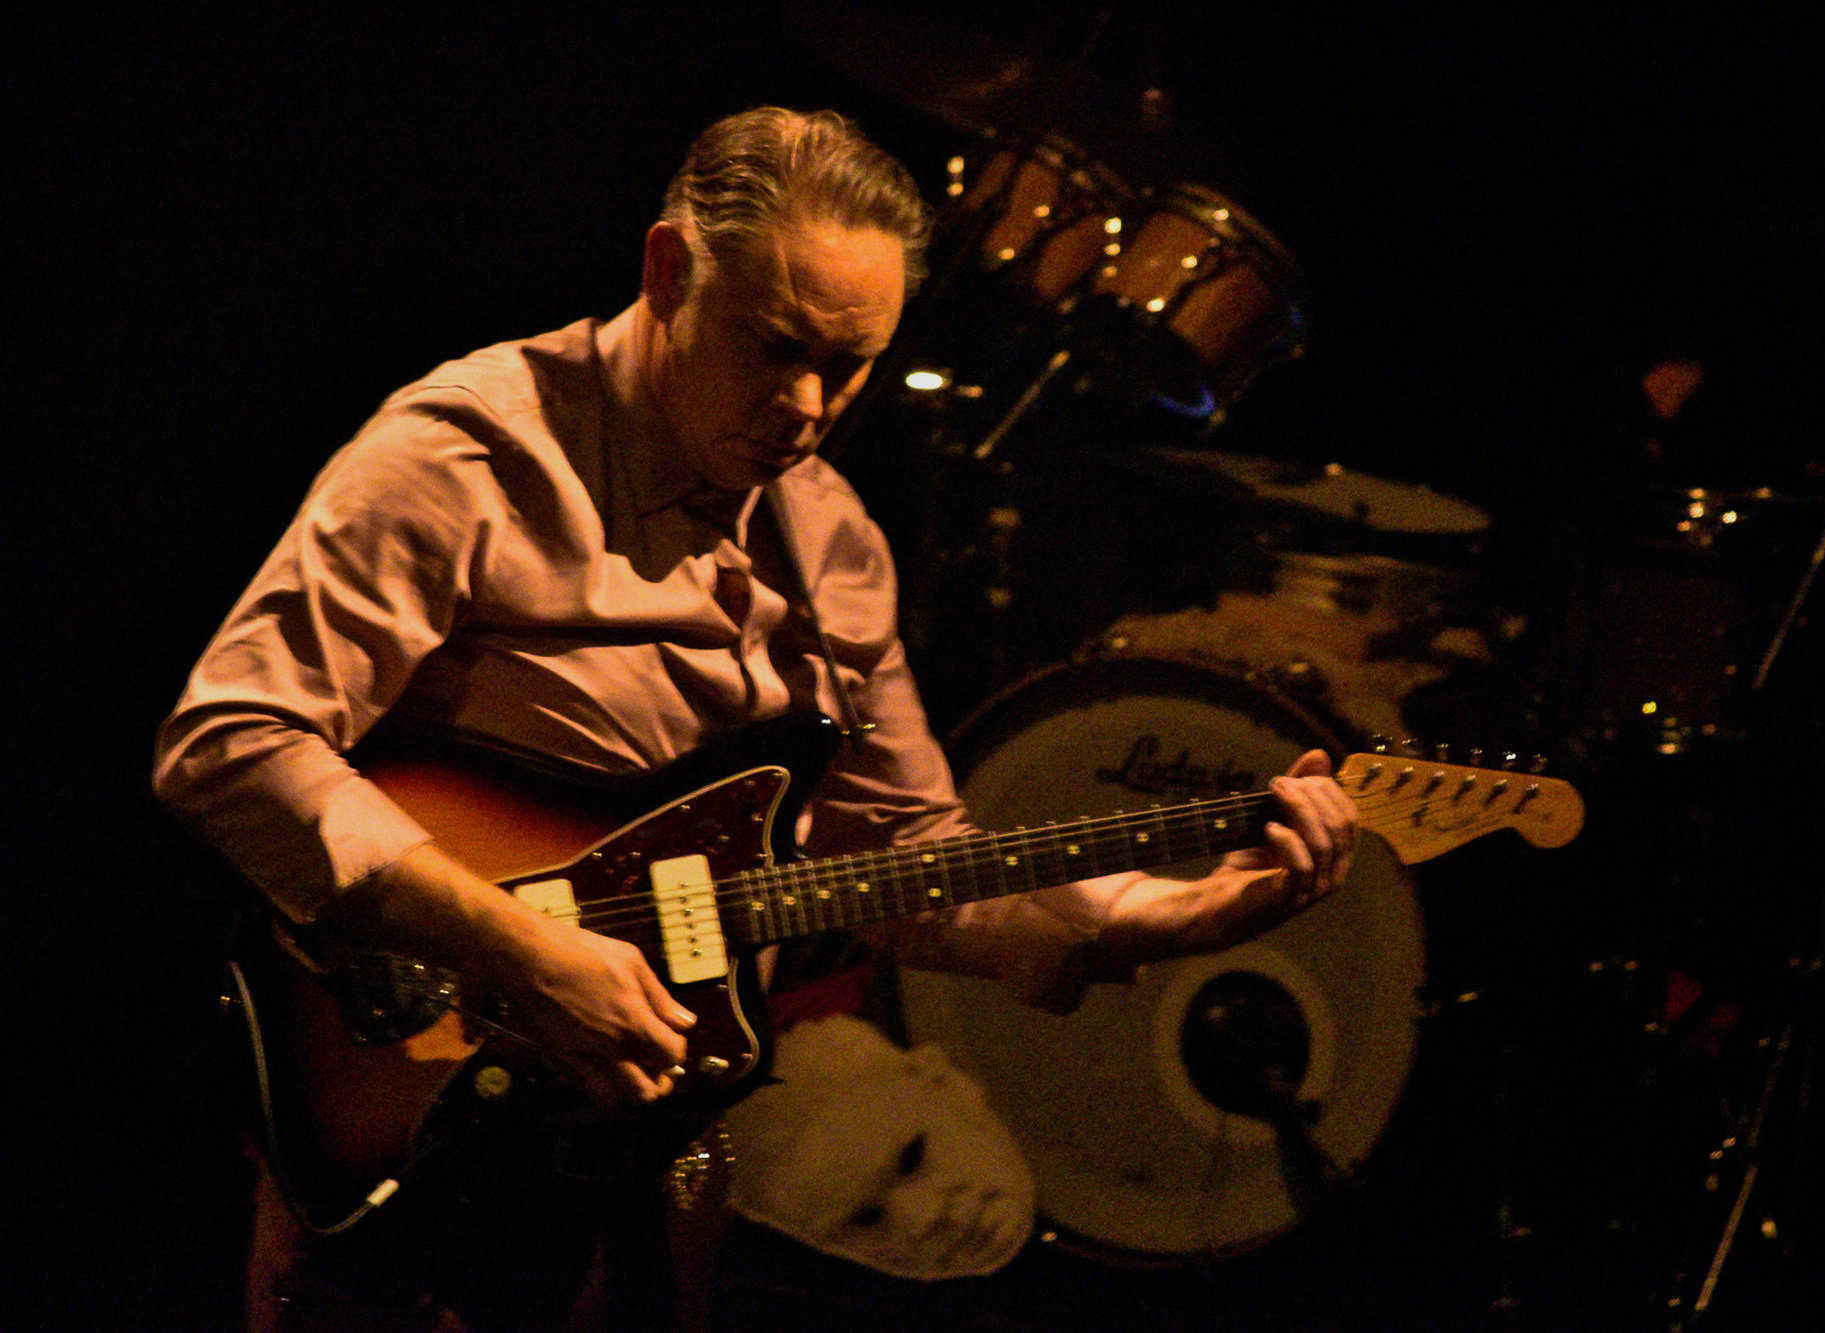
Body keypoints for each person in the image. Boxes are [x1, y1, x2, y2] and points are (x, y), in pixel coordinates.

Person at [154, 106, 1359, 1330]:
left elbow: (900, 857)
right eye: (774, 346)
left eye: (849, 363)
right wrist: (521, 952)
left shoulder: (831, 541)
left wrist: (1154, 915)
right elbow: (229, 746)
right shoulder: (467, 455)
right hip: (411, 1099)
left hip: (658, 1147)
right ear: (667, 271)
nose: (807, 403)